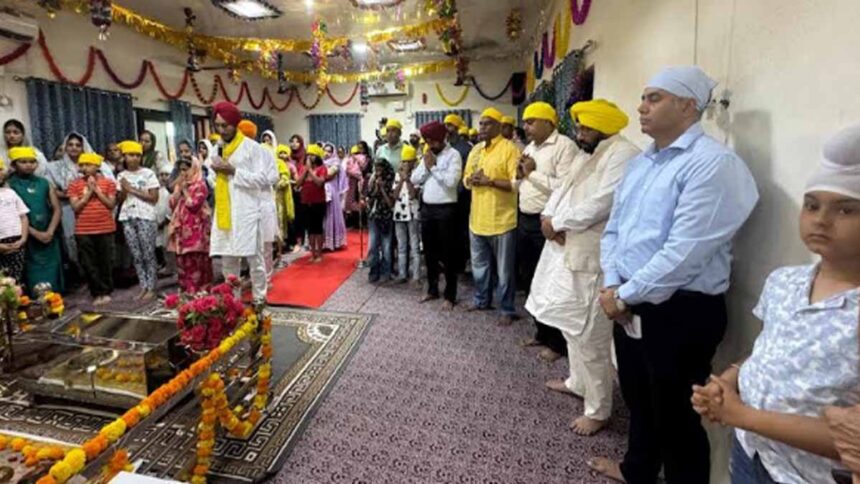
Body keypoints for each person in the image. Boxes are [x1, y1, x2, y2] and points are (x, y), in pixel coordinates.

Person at [589, 66, 760, 484]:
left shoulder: (713, 165)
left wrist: (625, 295)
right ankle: (638, 470)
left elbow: (685, 254)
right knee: (639, 397)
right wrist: (615, 285)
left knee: (677, 417)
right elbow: (615, 229)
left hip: (680, 310)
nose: (641, 107)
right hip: (628, 299)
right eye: (644, 97)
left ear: (688, 106)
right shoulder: (643, 163)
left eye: (654, 98)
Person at [691, 124, 860, 484]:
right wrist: (730, 380)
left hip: (808, 475)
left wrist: (740, 415)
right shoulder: (786, 281)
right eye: (812, 205)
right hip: (753, 451)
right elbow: (770, 349)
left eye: (846, 211)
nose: (821, 220)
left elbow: (850, 438)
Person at [526, 100, 640, 436]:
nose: (579, 134)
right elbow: (562, 187)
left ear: (603, 127)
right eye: (577, 128)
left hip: (593, 258)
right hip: (566, 249)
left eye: (584, 128)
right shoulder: (590, 152)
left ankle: (599, 409)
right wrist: (548, 217)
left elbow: (604, 201)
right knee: (571, 325)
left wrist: (557, 220)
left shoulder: (623, 153)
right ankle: (578, 383)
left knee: (591, 336)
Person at [515, 101, 578, 361]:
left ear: (548, 123)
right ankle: (541, 333)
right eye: (526, 122)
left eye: (531, 122)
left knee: (551, 283)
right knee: (531, 279)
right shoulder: (531, 147)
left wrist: (532, 175)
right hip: (526, 220)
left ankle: (557, 344)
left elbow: (566, 186)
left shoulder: (564, 147)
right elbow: (523, 180)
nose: (526, 126)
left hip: (548, 224)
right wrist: (519, 176)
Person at [209, 102, 278, 305]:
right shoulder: (217, 148)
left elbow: (267, 179)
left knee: (254, 260)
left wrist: (233, 172)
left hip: (246, 212)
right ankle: (233, 303)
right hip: (224, 212)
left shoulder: (253, 149)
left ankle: (259, 299)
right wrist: (218, 175)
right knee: (228, 262)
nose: (221, 130)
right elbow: (213, 180)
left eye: (225, 126)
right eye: (217, 126)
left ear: (236, 124)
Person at [463, 107, 521, 326]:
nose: (483, 127)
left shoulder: (509, 149)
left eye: (487, 124)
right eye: (481, 124)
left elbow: (516, 184)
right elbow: (465, 180)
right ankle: (481, 300)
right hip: (477, 219)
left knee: (504, 271)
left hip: (502, 220)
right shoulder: (476, 150)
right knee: (480, 267)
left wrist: (490, 182)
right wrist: (472, 180)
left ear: (498, 126)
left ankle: (507, 308)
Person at [412, 120, 462, 308]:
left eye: (433, 141)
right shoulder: (428, 156)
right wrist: (426, 166)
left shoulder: (453, 155)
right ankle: (432, 290)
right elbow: (414, 179)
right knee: (430, 253)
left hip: (446, 211)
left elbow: (451, 182)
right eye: (427, 141)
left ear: (442, 138)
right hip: (427, 210)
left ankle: (450, 296)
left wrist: (433, 167)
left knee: (448, 254)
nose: (430, 144)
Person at [46, 132, 113, 271]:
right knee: (75, 244)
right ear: (65, 146)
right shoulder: (55, 166)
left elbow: (110, 185)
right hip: (68, 207)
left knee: (98, 244)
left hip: (97, 207)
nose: (74, 148)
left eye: (78, 145)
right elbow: (50, 188)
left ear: (83, 147)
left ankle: (98, 276)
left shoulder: (97, 163)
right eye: (70, 145)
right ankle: (83, 274)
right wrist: (70, 194)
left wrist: (90, 192)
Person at [8, 147, 63, 295]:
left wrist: (50, 231)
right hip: (27, 236)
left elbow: (57, 209)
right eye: (23, 162)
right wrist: (35, 233)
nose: (28, 165)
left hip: (49, 234)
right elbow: (13, 215)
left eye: (32, 162)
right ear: (13, 165)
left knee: (53, 278)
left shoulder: (44, 182)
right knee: (33, 280)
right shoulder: (10, 185)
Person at [68, 153, 117, 306]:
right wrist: (88, 192)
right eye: (82, 165)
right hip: (84, 230)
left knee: (106, 261)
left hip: (105, 227)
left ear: (97, 166)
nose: (84, 168)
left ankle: (106, 291)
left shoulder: (108, 183)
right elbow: (75, 207)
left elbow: (110, 204)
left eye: (88, 164)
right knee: (89, 263)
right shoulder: (74, 184)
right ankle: (96, 292)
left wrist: (97, 190)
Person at [116, 140, 160, 301]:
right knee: (136, 254)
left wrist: (132, 189)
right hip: (127, 216)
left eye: (137, 155)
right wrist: (123, 191)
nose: (133, 158)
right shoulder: (121, 176)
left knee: (148, 253)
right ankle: (143, 285)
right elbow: (119, 199)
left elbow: (154, 197)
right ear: (124, 157)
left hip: (146, 216)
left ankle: (152, 287)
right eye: (130, 155)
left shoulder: (148, 173)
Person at [238, 120, 279, 281]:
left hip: (263, 202)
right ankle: (252, 276)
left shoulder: (264, 151)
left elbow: (273, 176)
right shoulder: (236, 153)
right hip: (244, 204)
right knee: (248, 244)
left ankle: (266, 278)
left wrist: (252, 181)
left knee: (265, 245)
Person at [168, 156, 213, 293]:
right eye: (181, 170)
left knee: (197, 260)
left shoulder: (201, 185)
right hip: (181, 228)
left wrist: (185, 192)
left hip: (197, 229)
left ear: (194, 168)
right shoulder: (181, 185)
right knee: (183, 260)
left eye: (186, 170)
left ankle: (201, 291)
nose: (183, 173)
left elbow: (193, 205)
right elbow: (171, 204)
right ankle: (187, 290)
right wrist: (177, 189)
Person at [444, 115, 474, 275]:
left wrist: (458, 191)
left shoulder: (466, 148)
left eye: (450, 126)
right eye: (446, 125)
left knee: (462, 231)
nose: (447, 129)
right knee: (450, 232)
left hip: (462, 197)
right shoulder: (445, 148)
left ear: (456, 128)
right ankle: (452, 263)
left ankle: (463, 263)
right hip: (447, 197)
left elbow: (467, 174)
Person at [393, 144, 421, 285]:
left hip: (413, 213)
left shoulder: (417, 175)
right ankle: (402, 274)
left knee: (415, 246)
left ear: (413, 162)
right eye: (403, 161)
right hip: (399, 213)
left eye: (407, 161)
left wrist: (408, 179)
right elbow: (394, 194)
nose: (404, 164)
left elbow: (413, 194)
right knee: (402, 245)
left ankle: (416, 276)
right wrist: (401, 180)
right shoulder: (397, 176)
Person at [296, 144, 328, 263]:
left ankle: (319, 253)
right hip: (305, 201)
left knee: (317, 228)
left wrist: (310, 171)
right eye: (308, 155)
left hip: (318, 202)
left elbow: (320, 183)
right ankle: (312, 253)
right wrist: (305, 170)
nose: (310, 157)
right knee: (309, 229)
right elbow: (298, 183)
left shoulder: (322, 168)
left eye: (313, 155)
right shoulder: (302, 168)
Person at [0, 156, 29, 282]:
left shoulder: (10, 193)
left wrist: (23, 238)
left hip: (17, 240)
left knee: (15, 278)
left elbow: (23, 216)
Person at [366, 157, 396, 283]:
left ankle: (386, 272)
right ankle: (374, 271)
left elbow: (390, 203)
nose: (377, 170)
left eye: (380, 167)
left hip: (386, 216)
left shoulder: (391, 181)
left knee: (386, 246)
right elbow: (370, 199)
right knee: (373, 246)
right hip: (374, 216)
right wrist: (376, 188)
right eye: (376, 167)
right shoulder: (373, 179)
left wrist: (382, 188)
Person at [322, 143, 347, 251]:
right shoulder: (320, 163)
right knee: (323, 216)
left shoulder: (335, 162)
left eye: (329, 151)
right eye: (325, 151)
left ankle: (333, 243)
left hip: (332, 191)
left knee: (331, 215)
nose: (326, 153)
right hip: (320, 191)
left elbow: (328, 175)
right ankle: (323, 242)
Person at [274, 144, 295, 253]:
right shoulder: (271, 162)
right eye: (280, 152)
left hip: (280, 196)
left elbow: (285, 179)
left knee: (281, 220)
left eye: (284, 152)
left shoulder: (283, 164)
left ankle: (281, 246)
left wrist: (274, 185)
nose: (282, 155)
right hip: (268, 197)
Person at [289, 135, 308, 253]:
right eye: (292, 141)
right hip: (289, 189)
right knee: (292, 216)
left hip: (302, 189)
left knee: (301, 216)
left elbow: (306, 172)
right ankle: (293, 241)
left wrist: (299, 184)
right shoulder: (288, 156)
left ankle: (301, 241)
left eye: (297, 142)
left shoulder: (305, 156)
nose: (294, 144)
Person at [155, 163, 174, 277]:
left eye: (167, 174)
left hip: (169, 222)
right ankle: (168, 267)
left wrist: (166, 220)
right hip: (159, 222)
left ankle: (173, 268)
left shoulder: (172, 190)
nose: (163, 177)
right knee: (163, 246)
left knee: (171, 247)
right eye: (161, 174)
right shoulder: (159, 190)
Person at [344, 145, 367, 228]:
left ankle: (362, 222)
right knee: (351, 201)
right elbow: (346, 169)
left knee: (360, 200)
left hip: (360, 180)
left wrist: (357, 159)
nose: (355, 155)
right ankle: (354, 222)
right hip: (351, 181)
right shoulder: (349, 159)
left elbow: (363, 167)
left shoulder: (363, 158)